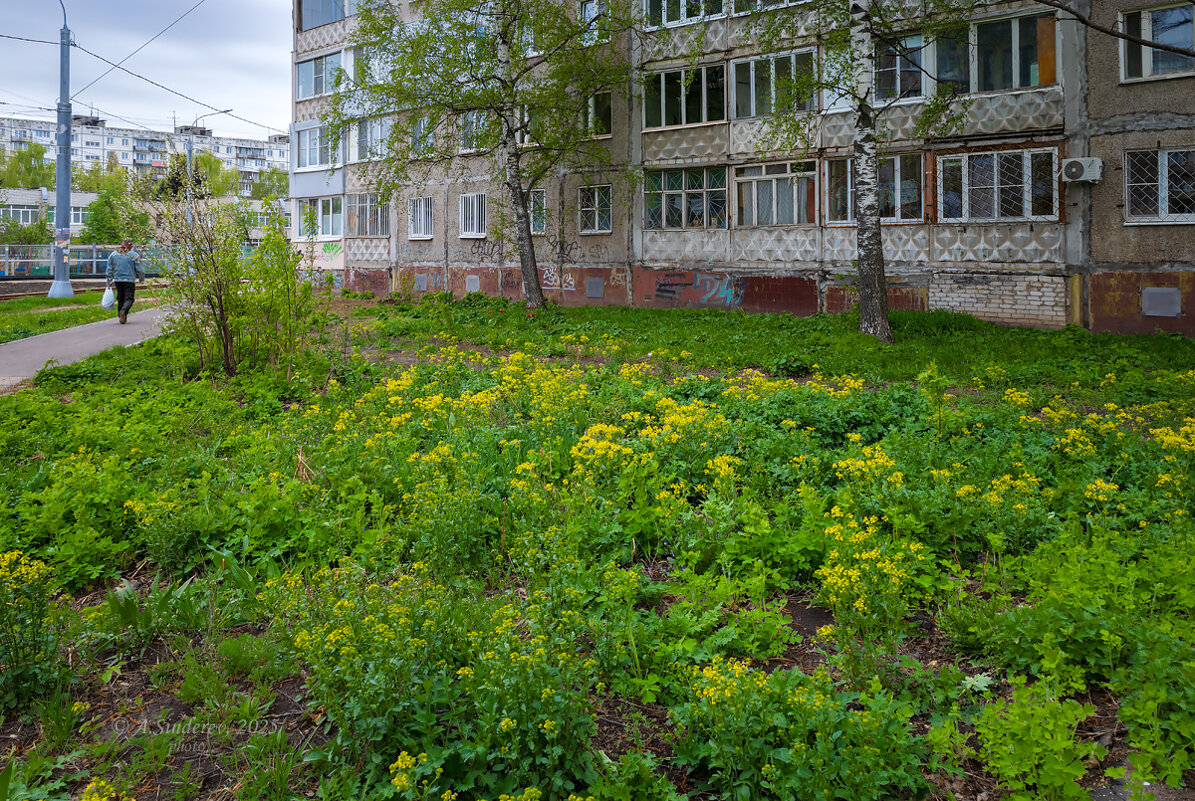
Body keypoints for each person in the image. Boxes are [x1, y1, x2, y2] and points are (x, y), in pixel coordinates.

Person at [105, 239, 144, 324]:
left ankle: (120, 316)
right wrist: (141, 278)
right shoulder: (133, 255)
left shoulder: (114, 254)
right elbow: (139, 269)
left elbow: (109, 268)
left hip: (118, 280)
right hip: (129, 280)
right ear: (131, 245)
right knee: (129, 298)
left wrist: (109, 280)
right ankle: (123, 311)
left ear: (122, 244)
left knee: (120, 298)